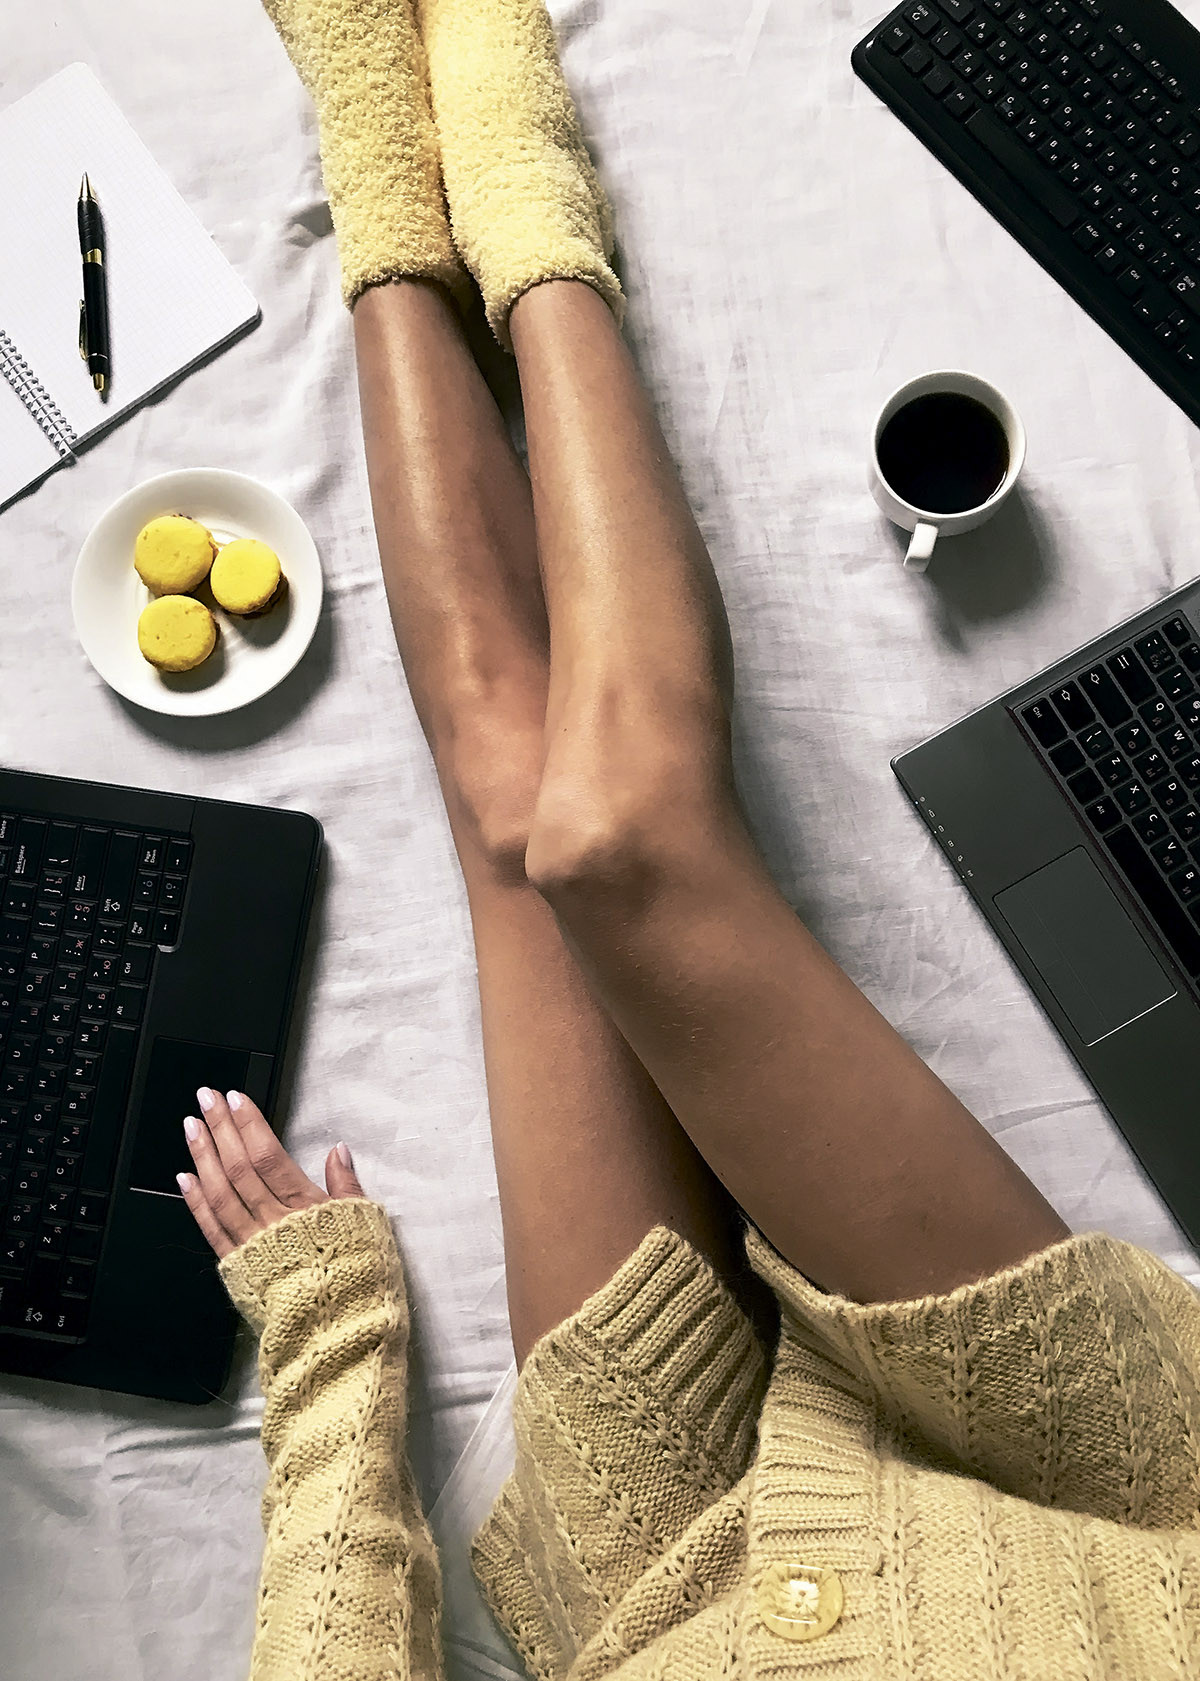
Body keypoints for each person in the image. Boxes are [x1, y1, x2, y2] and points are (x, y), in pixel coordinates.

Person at [177, 0, 1200, 1675]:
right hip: (1114, 1537)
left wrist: (329, 1341)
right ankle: (529, 202)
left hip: (669, 1596)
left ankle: (382, 177)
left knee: (526, 825)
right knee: (637, 838)